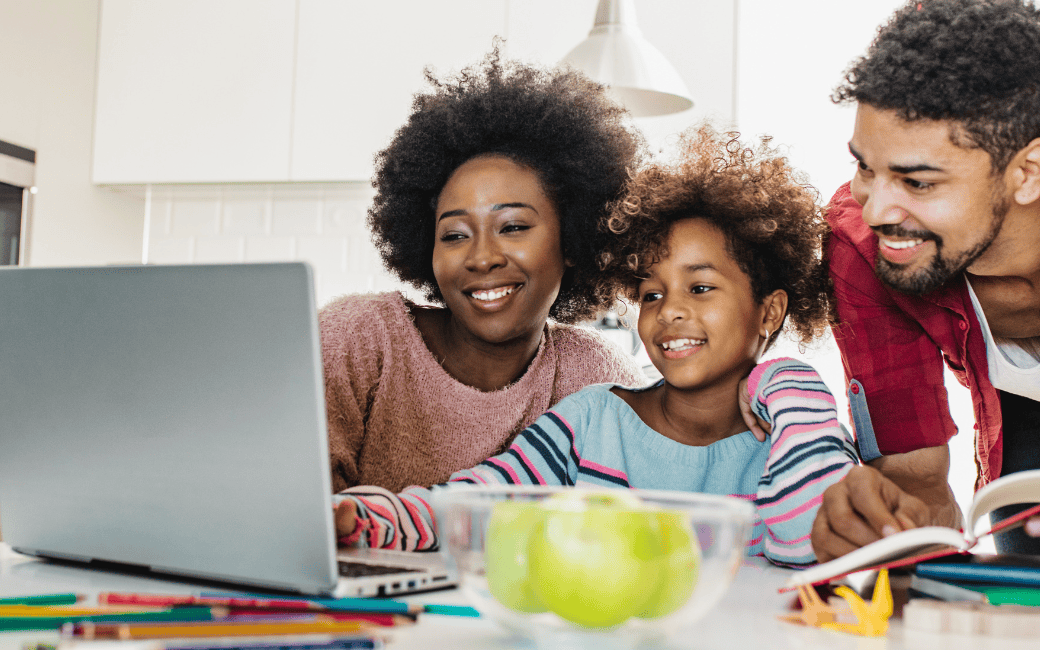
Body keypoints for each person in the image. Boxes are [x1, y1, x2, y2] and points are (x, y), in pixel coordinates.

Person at [333, 127, 858, 567]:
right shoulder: (591, 420)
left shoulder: (799, 432)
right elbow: (478, 502)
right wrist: (372, 517)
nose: (669, 310)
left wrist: (788, 381)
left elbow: (805, 540)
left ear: (769, 311)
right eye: (651, 293)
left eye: (699, 288)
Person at [813, 0, 1040, 566]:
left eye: (917, 182)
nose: (875, 210)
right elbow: (914, 485)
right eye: (866, 168)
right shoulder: (861, 247)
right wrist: (883, 533)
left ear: (1027, 173)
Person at [321, 49, 648, 495]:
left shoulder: (596, 374)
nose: (481, 257)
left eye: (512, 227)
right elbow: (286, 505)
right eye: (454, 235)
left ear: (572, 240)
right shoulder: (357, 340)